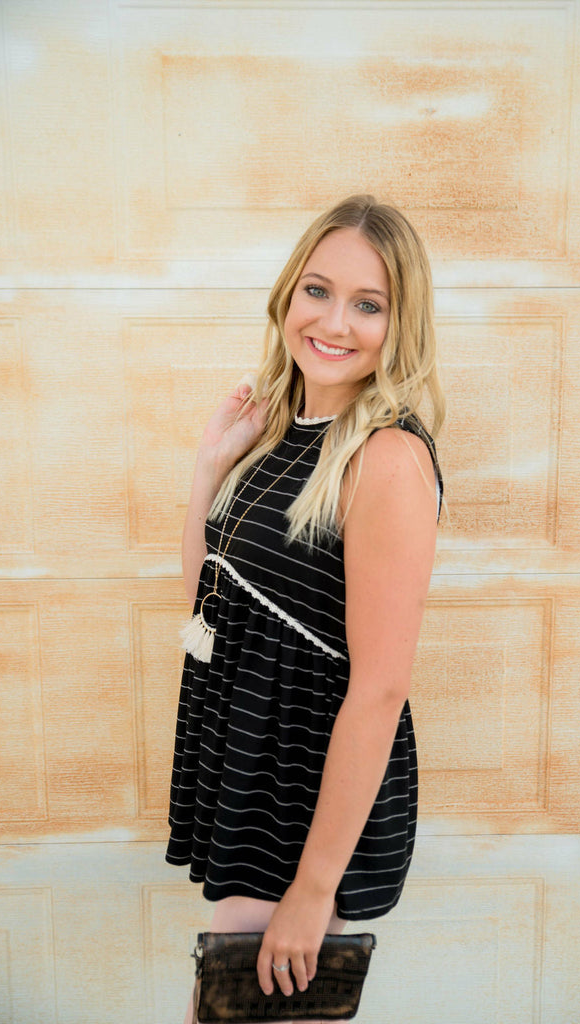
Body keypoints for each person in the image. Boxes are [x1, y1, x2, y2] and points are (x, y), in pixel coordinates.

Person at [167, 194, 445, 1023]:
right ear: (289, 293)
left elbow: (380, 690)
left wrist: (313, 887)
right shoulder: (280, 431)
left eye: (369, 304)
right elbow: (209, 608)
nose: (333, 321)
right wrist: (210, 468)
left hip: (303, 800)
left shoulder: (385, 457)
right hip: (251, 776)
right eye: (318, 290)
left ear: (401, 324)